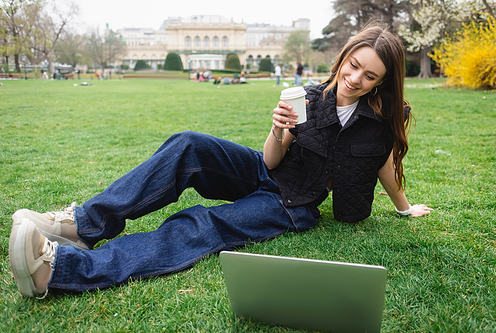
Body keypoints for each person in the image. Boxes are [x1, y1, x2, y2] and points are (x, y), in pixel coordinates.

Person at [8, 21, 433, 298]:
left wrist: (402, 206)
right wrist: (278, 130)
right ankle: (82, 224)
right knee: (187, 145)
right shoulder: (307, 95)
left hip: (295, 203)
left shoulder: (378, 121)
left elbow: (382, 165)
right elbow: (269, 162)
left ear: (382, 81)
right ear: (344, 58)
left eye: (369, 76)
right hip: (266, 171)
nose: (355, 79)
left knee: (202, 223)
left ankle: (60, 270)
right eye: (353, 66)